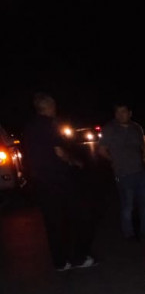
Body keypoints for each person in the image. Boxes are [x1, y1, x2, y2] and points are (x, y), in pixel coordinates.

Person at [21, 93, 96, 271]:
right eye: (53, 106)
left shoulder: (29, 128)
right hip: (58, 179)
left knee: (52, 221)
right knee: (77, 217)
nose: (55, 109)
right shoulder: (50, 125)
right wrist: (74, 162)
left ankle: (60, 262)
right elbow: (59, 152)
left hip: (41, 180)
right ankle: (78, 257)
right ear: (48, 107)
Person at [98, 103, 145, 240]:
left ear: (130, 113)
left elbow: (142, 146)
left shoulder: (136, 127)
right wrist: (114, 161)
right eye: (117, 112)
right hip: (123, 173)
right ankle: (129, 234)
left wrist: (143, 159)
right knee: (127, 206)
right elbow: (102, 150)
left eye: (123, 112)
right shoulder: (109, 128)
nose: (120, 115)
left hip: (140, 172)